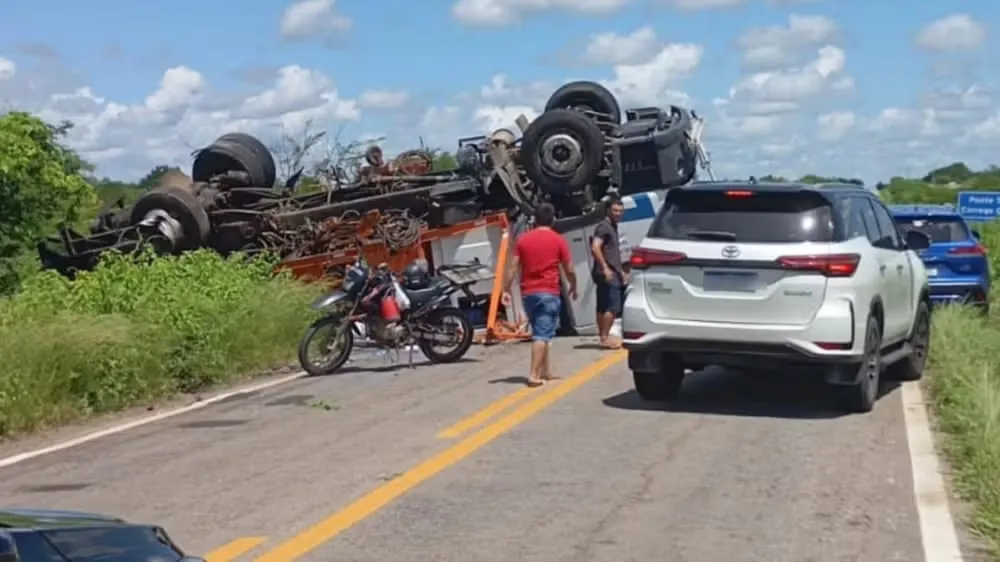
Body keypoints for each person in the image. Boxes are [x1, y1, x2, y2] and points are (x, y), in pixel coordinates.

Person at [505, 203, 578, 387]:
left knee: (542, 330)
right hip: (548, 291)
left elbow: (513, 267)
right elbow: (569, 268)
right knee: (542, 335)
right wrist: (573, 286)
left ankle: (546, 371)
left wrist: (505, 290)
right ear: (553, 219)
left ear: (535, 220)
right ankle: (533, 375)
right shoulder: (557, 240)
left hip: (528, 294)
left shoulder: (523, 240)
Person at [591, 197, 627, 349]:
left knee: (602, 306)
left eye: (620, 211)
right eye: (615, 210)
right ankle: (605, 337)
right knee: (612, 307)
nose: (618, 214)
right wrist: (605, 268)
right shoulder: (604, 227)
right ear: (608, 210)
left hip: (608, 271)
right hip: (607, 272)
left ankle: (603, 336)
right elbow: (595, 247)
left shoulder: (611, 226)